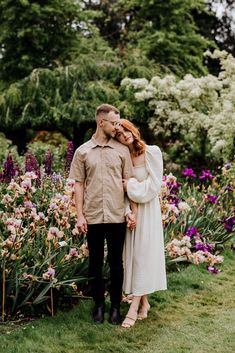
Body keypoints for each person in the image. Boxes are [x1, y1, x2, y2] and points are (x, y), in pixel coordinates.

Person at [69, 104, 135, 325]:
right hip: (93, 215)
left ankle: (115, 308)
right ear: (101, 122)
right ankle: (98, 306)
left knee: (116, 263)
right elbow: (79, 185)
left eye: (118, 122)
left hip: (117, 216)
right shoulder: (83, 151)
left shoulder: (122, 150)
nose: (117, 127)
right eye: (114, 123)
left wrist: (132, 212)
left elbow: (129, 185)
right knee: (95, 263)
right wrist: (80, 215)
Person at [115, 119, 167, 329]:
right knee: (134, 258)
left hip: (149, 212)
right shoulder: (124, 158)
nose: (124, 135)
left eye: (125, 130)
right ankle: (144, 303)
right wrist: (128, 211)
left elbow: (154, 186)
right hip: (134, 214)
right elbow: (123, 191)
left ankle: (133, 308)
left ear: (132, 129)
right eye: (118, 134)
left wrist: (131, 185)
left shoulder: (152, 152)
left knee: (142, 257)